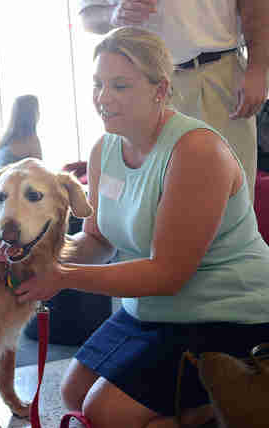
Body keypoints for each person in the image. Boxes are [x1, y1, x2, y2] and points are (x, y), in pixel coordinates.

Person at [14, 27, 269, 428]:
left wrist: (63, 276)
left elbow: (167, 275)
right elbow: (96, 239)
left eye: (120, 86)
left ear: (160, 89)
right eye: (98, 84)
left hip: (226, 312)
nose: (103, 98)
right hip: (151, 308)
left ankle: (226, 405)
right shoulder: (104, 149)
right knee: (74, 394)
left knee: (105, 413)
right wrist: (38, 257)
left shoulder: (196, 151)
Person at [77, 0, 269, 201]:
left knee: (230, 195)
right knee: (146, 198)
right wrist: (113, 14)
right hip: (140, 82)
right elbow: (87, 16)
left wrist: (258, 69)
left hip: (219, 73)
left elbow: (256, 6)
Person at [0, 94, 43, 172]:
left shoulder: (4, 140)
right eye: (37, 110)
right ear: (31, 115)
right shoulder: (31, 141)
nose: (39, 113)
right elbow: (40, 172)